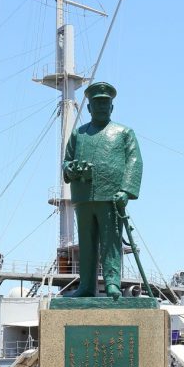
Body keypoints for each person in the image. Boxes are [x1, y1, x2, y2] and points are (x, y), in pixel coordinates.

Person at [62, 81, 143, 299]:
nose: (100, 108)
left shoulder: (124, 132)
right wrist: (70, 168)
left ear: (112, 108)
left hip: (111, 197)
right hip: (84, 197)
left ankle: (112, 284)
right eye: (96, 104)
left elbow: (134, 162)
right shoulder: (79, 135)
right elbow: (66, 161)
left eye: (105, 104)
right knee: (86, 244)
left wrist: (126, 190)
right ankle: (86, 285)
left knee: (111, 242)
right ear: (88, 108)